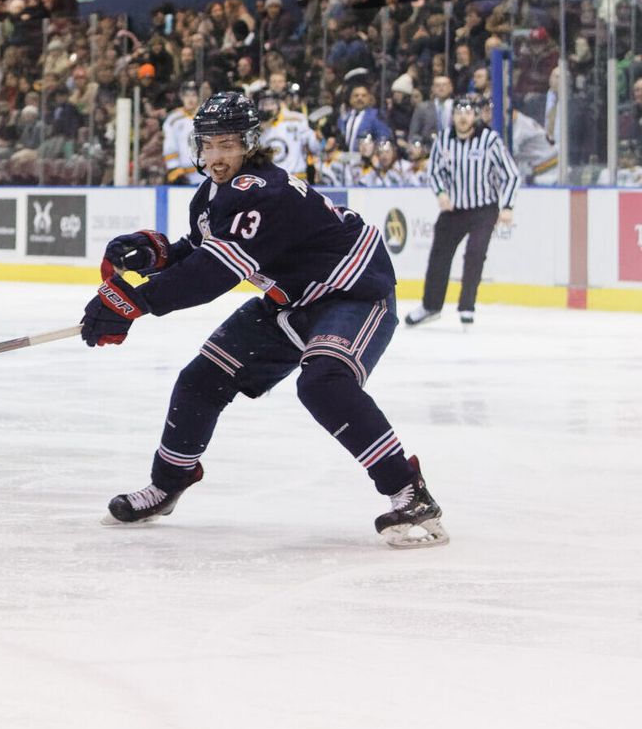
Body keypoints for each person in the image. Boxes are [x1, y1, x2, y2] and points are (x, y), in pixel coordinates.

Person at [81, 92, 447, 548]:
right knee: (201, 380)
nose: (216, 157)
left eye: (227, 145)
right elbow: (199, 252)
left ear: (250, 144)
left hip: (352, 292)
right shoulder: (211, 195)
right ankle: (168, 483)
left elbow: (214, 274)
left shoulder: (262, 191)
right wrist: (156, 255)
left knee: (323, 382)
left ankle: (410, 492)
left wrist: (133, 302)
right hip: (290, 301)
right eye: (208, 145)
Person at [407, 95, 520, 328]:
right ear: (453, 116)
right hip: (454, 209)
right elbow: (434, 172)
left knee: (475, 255)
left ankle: (467, 306)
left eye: (468, 113)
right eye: (459, 112)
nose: (463, 117)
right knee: (439, 255)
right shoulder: (443, 140)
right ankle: (431, 306)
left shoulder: (489, 140)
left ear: (475, 116)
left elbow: (511, 174)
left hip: (484, 208)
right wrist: (440, 193)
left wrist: (507, 206)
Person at [162, 81, 204, 185]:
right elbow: (170, 147)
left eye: (194, 95)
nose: (190, 99)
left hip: (206, 174)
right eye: (187, 95)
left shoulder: (207, 116)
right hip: (184, 176)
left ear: (199, 96)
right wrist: (174, 169)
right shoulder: (173, 119)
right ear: (181, 97)